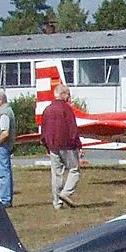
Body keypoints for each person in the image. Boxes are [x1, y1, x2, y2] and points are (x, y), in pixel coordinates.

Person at [39, 81, 83, 209]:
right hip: (67, 145)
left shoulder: (47, 110)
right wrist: (78, 145)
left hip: (53, 146)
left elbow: (44, 131)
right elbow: (72, 129)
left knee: (56, 173)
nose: (69, 97)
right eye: (68, 94)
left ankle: (57, 203)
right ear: (63, 95)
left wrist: (46, 146)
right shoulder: (67, 109)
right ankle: (65, 193)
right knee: (74, 170)